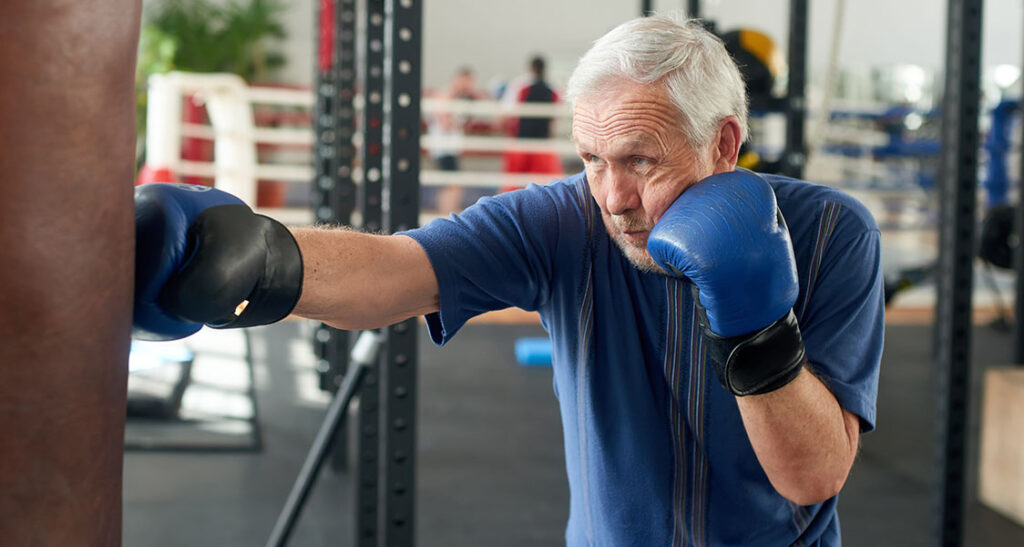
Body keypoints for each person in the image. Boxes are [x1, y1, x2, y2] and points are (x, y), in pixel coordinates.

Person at [135, 12, 883, 546]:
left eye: (640, 160)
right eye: (593, 159)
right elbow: (399, 270)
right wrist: (260, 256)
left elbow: (812, 477)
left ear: (723, 141)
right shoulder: (566, 221)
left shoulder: (830, 235)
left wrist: (756, 324)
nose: (614, 196)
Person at [424, 66, 483, 214]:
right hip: (443, 148)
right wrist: (458, 121)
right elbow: (445, 124)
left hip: (449, 148)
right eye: (468, 82)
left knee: (451, 185)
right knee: (453, 185)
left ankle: (447, 213)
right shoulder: (444, 96)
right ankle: (446, 214)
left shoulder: (456, 98)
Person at [500, 55, 563, 188]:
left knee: (513, 188)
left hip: (520, 143)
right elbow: (555, 120)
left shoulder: (519, 86)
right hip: (543, 144)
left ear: (530, 69)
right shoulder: (554, 89)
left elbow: (506, 114)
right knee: (546, 187)